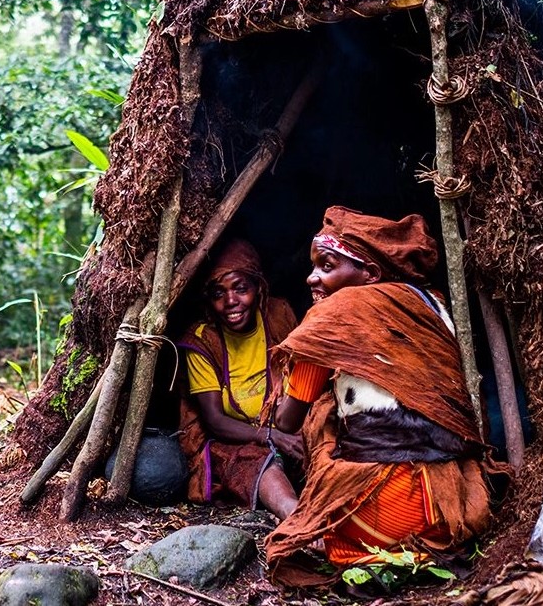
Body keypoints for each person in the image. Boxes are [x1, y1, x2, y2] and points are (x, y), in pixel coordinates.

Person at [264, 206, 500, 586]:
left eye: (327, 266)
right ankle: (425, 547)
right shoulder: (430, 304)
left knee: (322, 416)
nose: (311, 277)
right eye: (314, 266)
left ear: (371, 274)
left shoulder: (333, 318)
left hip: (383, 517)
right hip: (452, 507)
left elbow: (286, 421)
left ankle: (357, 543)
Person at [176, 239, 303, 520]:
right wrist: (272, 436)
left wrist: (293, 433)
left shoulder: (279, 315)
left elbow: (305, 381)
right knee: (253, 461)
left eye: (241, 288)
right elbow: (214, 420)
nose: (231, 301)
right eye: (218, 293)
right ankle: (295, 517)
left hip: (289, 428)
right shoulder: (202, 341)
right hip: (237, 441)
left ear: (259, 288)